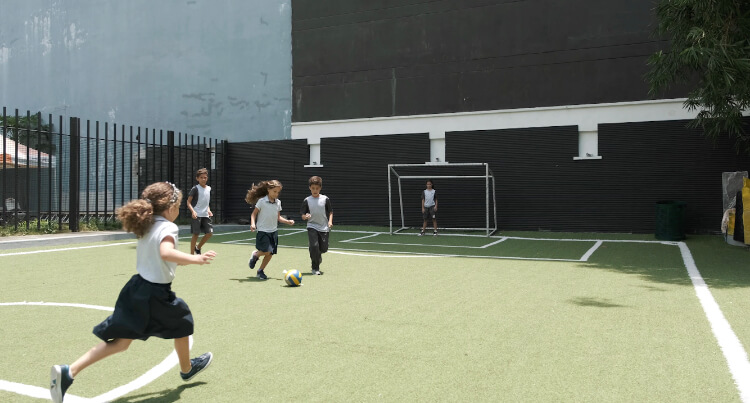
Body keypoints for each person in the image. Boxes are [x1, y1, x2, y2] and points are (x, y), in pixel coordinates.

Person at [49, 182, 217, 403]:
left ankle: (69, 372)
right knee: (183, 323)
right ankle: (187, 369)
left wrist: (183, 261)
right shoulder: (169, 227)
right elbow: (166, 253)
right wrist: (196, 258)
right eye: (178, 207)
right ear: (170, 208)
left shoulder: (147, 223)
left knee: (121, 342)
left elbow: (161, 258)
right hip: (156, 294)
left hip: (136, 288)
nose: (179, 211)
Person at [245, 180, 295, 280]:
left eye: (278, 192)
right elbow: (253, 214)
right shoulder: (262, 201)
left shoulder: (278, 203)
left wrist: (287, 221)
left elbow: (278, 217)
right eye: (274, 191)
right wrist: (253, 224)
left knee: (270, 253)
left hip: (273, 231)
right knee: (267, 251)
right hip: (263, 231)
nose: (276, 194)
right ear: (268, 190)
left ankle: (260, 271)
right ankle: (255, 255)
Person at [300, 176, 333, 275]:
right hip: (312, 226)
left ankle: (317, 256)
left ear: (320, 188)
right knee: (314, 246)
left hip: (324, 227)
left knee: (323, 249)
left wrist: (330, 221)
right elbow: (302, 215)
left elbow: (330, 212)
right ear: (309, 188)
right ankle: (315, 268)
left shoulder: (325, 199)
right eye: (313, 188)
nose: (315, 190)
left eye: (317, 188)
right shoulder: (307, 200)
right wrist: (305, 216)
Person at [187, 168, 213, 255]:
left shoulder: (209, 189)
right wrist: (193, 211)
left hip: (205, 215)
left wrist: (208, 210)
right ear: (197, 178)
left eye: (205, 177)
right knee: (196, 234)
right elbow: (188, 202)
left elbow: (206, 202)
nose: (203, 179)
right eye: (201, 177)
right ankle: (191, 255)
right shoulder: (195, 189)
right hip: (197, 214)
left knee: (209, 233)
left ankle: (197, 248)